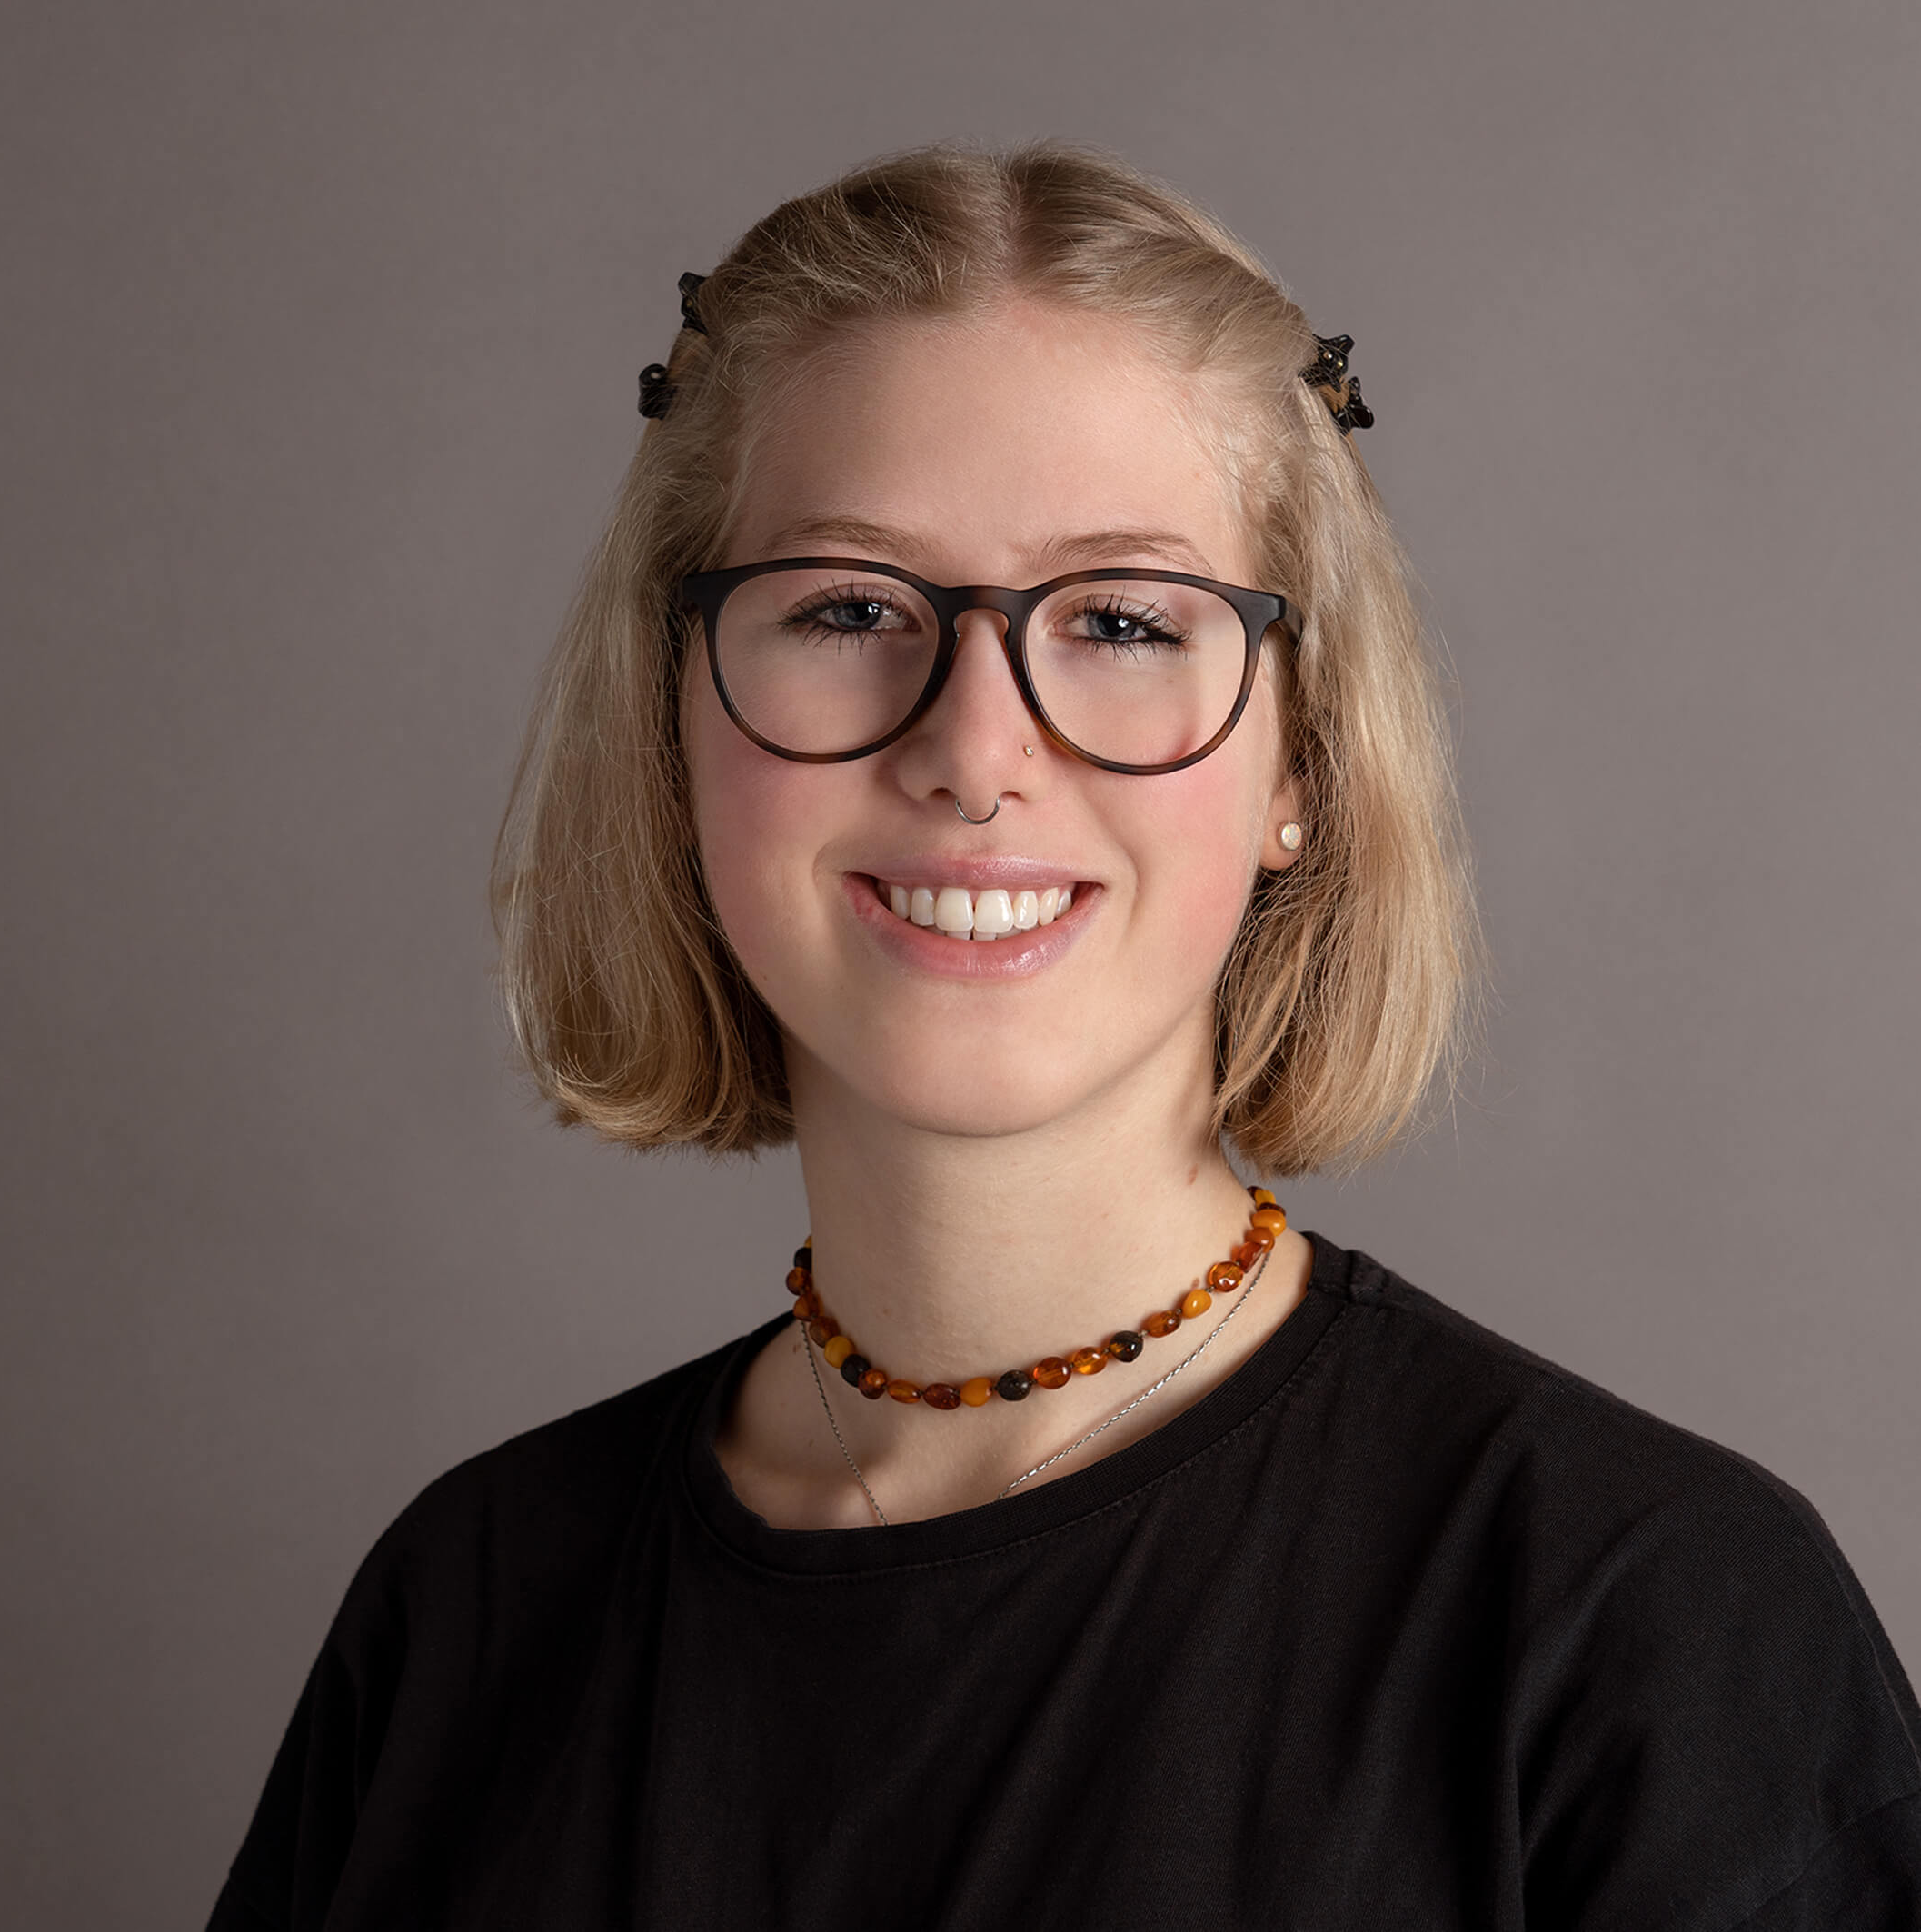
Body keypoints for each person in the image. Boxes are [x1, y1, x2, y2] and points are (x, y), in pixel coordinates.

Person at [206, 141, 1921, 1929]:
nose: (974, 749)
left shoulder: (1644, 1623)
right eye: (848, 608)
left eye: (1117, 620)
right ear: (672, 724)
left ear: (1301, 757)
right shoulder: (465, 1614)